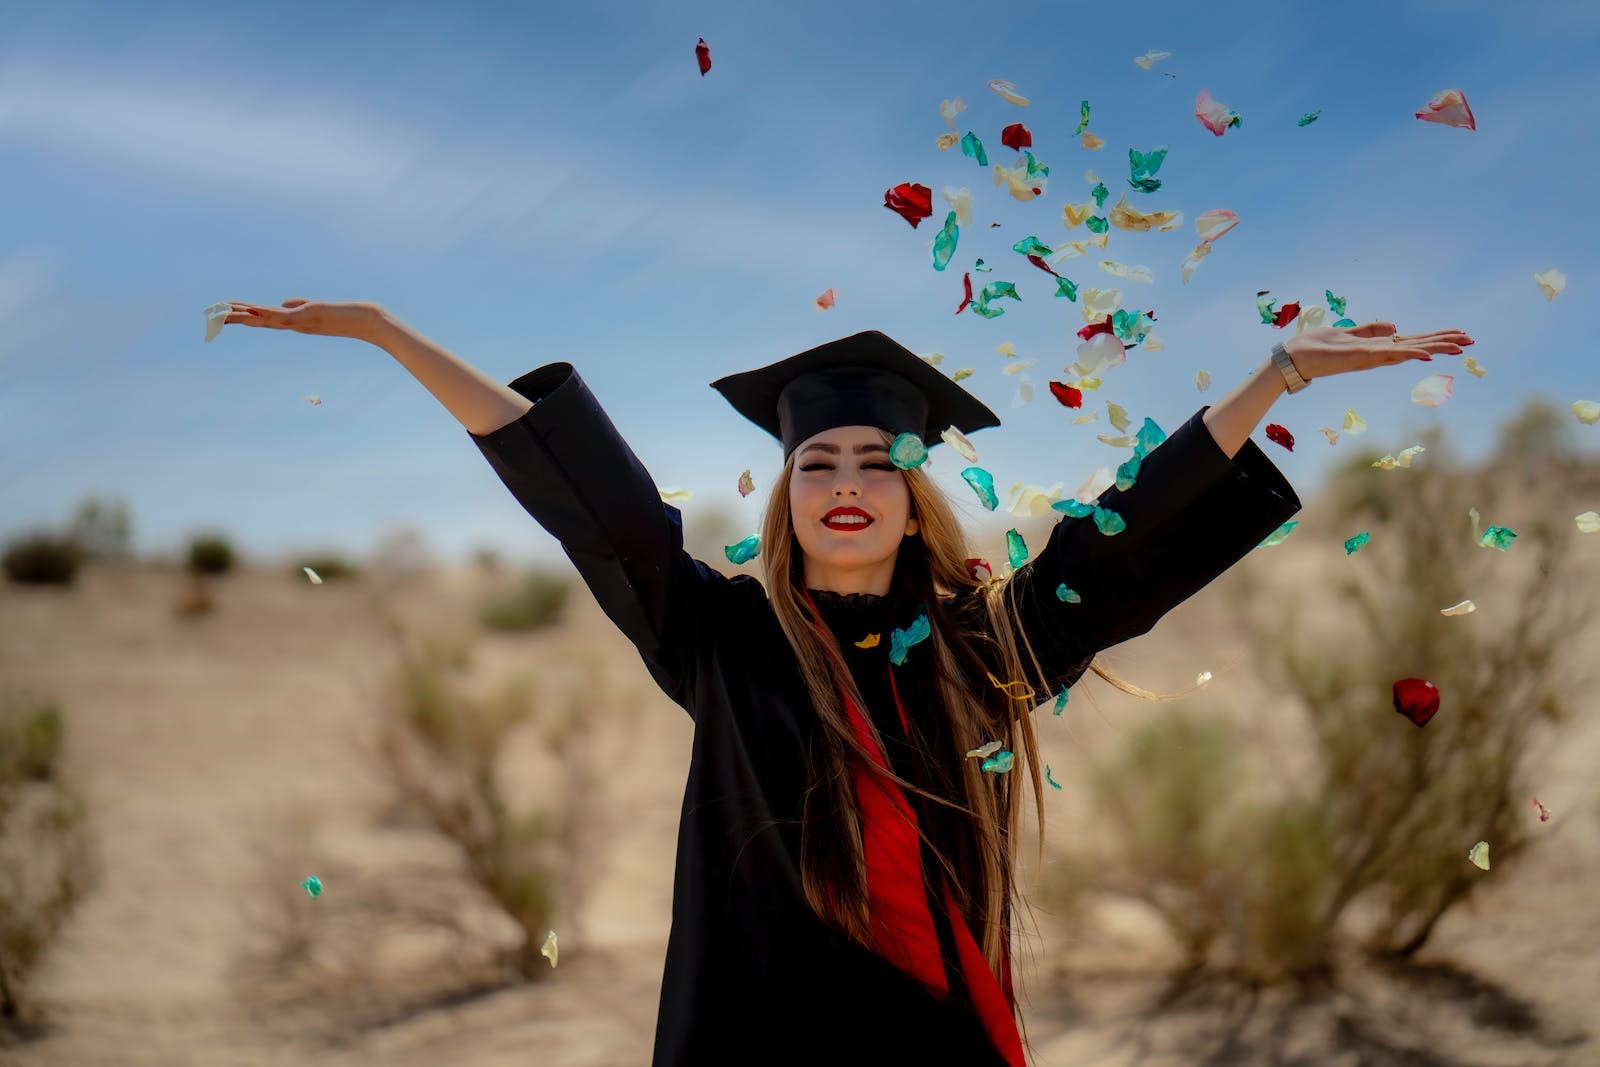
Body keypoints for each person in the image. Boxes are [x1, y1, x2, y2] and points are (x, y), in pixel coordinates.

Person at [219, 300, 1471, 1065]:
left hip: (932, 1032)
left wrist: (1277, 376)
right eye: (816, 460)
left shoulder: (987, 643)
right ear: (787, 491)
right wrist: (389, 336)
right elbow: (590, 501)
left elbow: (1123, 541)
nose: (846, 480)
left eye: (877, 458)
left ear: (914, 490)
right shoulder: (716, 634)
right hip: (758, 1037)